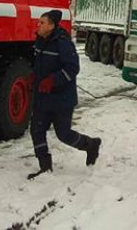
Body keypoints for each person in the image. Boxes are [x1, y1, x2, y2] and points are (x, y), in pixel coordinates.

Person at [27, 9, 102, 179]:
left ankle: (90, 145)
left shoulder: (63, 43)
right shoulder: (39, 41)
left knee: (63, 134)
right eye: (38, 22)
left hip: (62, 99)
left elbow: (72, 68)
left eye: (42, 23)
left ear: (52, 26)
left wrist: (53, 80)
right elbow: (38, 63)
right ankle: (45, 167)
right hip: (43, 97)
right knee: (36, 130)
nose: (38, 25)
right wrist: (33, 75)